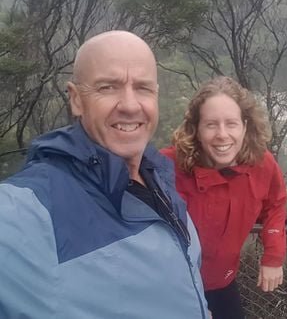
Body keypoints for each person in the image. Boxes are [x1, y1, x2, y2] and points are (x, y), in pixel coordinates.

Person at [0, 31, 209, 318]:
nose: (130, 105)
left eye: (143, 88)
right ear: (76, 99)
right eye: (108, 87)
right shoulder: (30, 209)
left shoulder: (159, 177)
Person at [161, 76, 287, 319]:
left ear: (245, 125)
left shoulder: (261, 165)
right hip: (172, 287)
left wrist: (273, 255)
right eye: (211, 125)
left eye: (231, 123)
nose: (222, 135)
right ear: (196, 129)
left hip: (222, 282)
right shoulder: (167, 166)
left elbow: (276, 203)